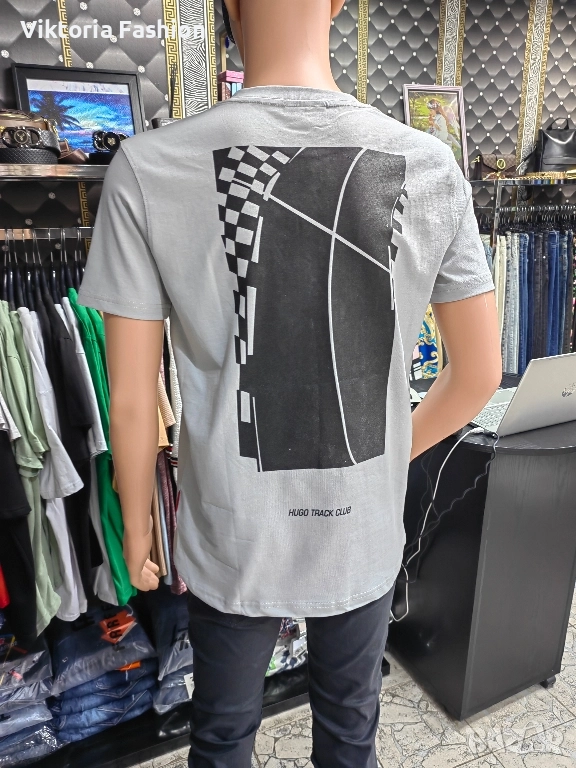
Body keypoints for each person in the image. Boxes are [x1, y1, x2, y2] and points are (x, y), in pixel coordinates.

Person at [77, 1, 502, 766]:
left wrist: (137, 529)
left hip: (229, 530)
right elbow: (477, 376)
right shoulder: (430, 165)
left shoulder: (150, 166)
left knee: (222, 737)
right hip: (361, 526)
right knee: (350, 732)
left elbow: (133, 399)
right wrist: (385, 462)